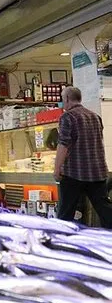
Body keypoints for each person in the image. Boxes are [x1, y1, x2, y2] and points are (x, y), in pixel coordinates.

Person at [54, 86, 112, 228]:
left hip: (74, 173)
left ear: (67, 99)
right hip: (97, 172)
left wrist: (57, 169)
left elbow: (63, 145)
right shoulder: (95, 116)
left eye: (63, 99)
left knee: (65, 214)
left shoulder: (67, 117)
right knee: (105, 210)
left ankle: (61, 241)